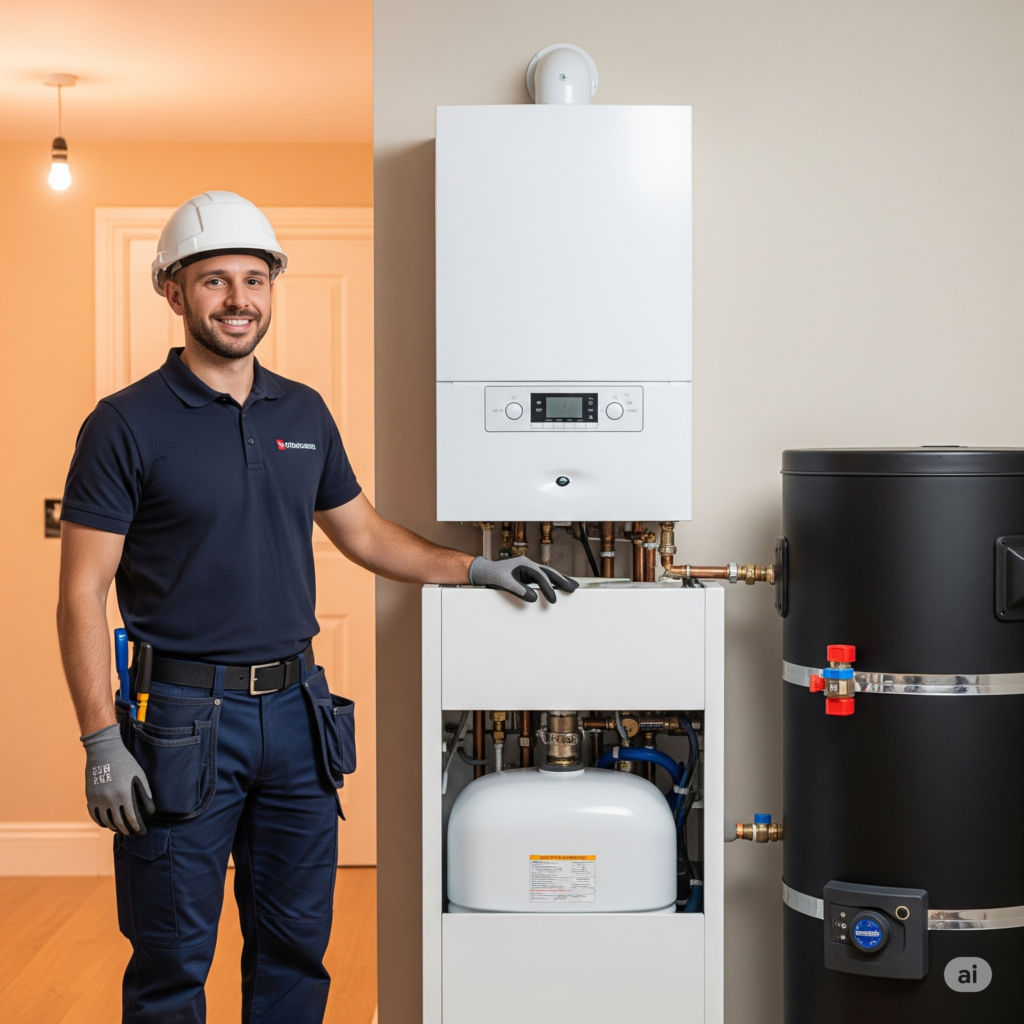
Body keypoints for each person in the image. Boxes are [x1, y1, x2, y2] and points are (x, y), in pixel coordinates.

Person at [56, 191, 576, 1024]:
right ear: (173, 292)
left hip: (300, 716)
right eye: (215, 280)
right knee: (171, 958)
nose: (238, 299)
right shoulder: (124, 425)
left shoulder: (302, 412)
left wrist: (475, 567)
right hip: (181, 721)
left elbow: (363, 533)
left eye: (254, 279)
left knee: (297, 948)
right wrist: (99, 742)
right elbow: (80, 590)